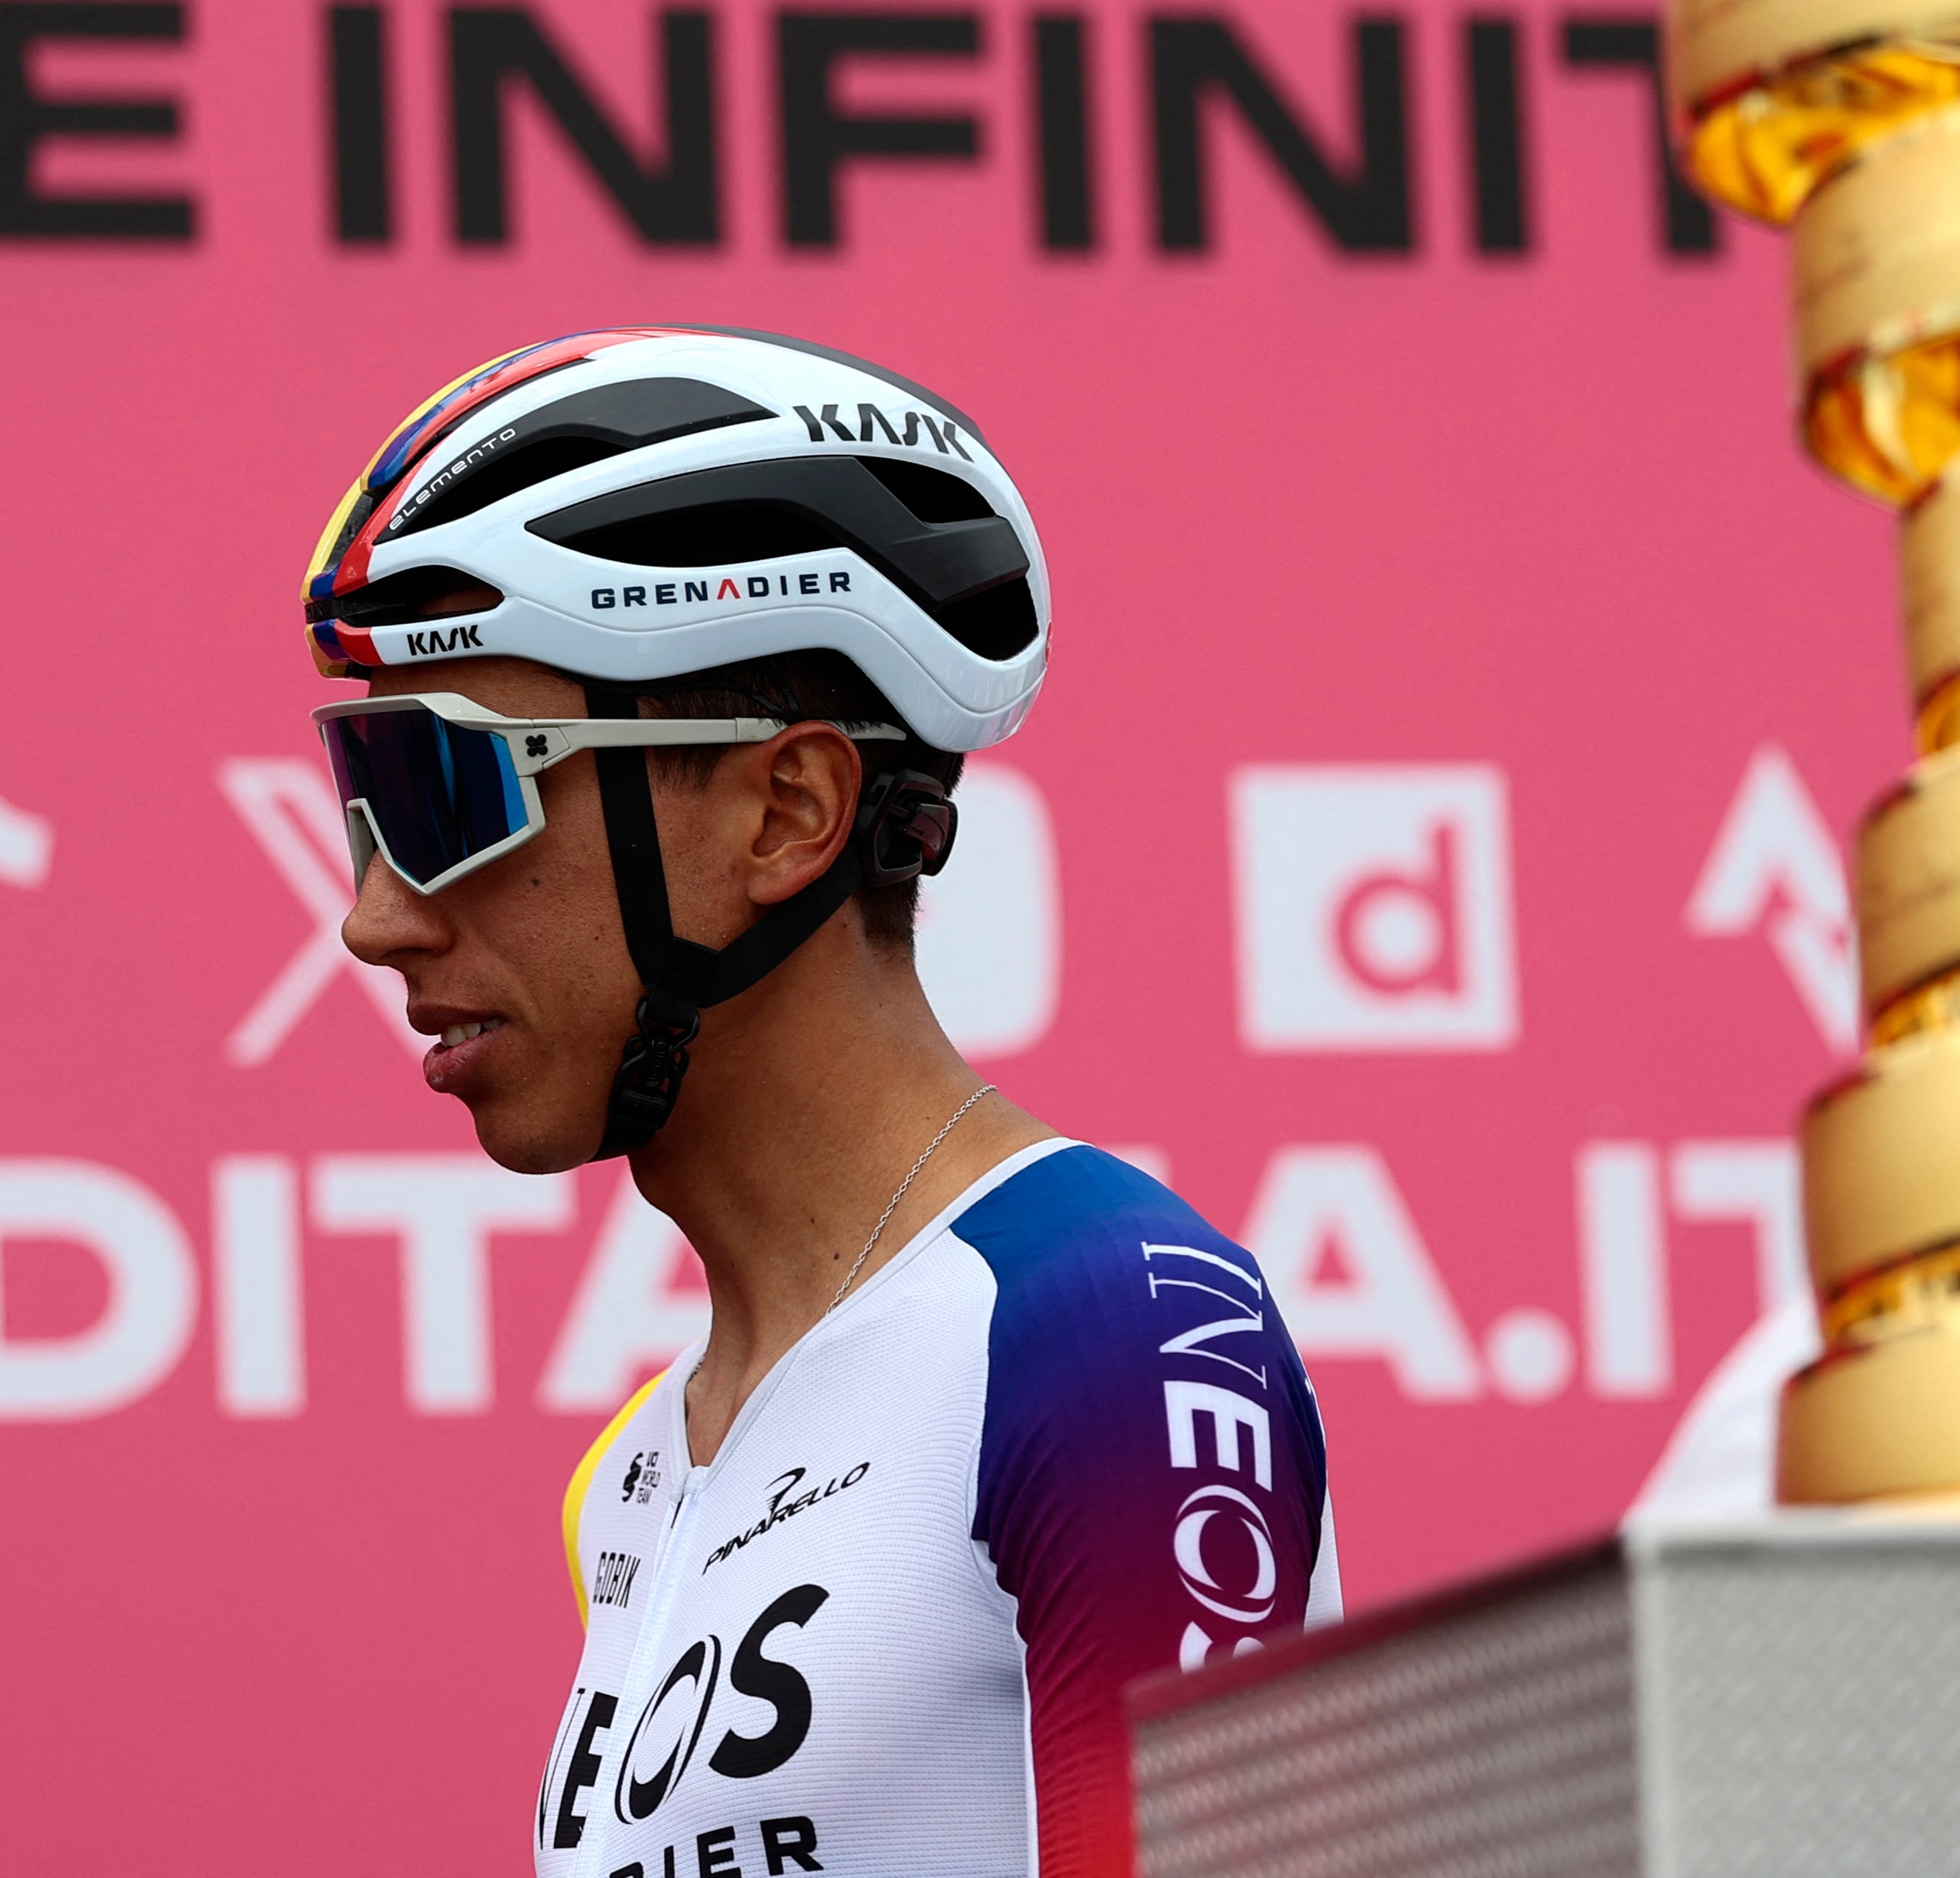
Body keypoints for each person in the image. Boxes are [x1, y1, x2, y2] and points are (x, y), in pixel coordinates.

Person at [305, 327, 1339, 1878]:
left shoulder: (1104, 1330)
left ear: (784, 811)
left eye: (448, 793)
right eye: (361, 801)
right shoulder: (633, 1473)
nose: (374, 918)